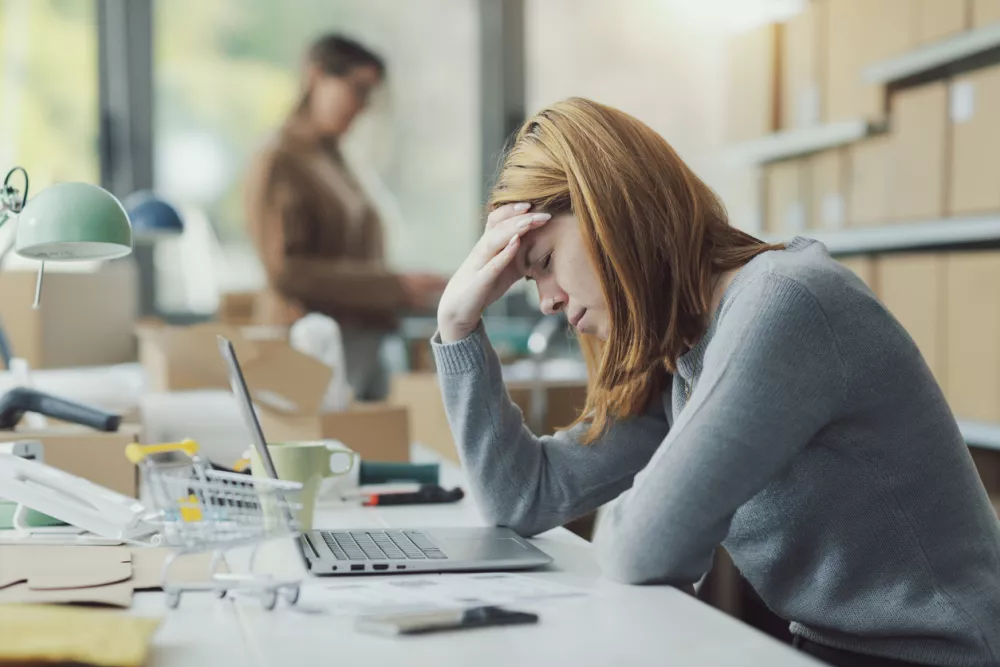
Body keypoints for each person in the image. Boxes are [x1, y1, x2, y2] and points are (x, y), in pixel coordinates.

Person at [432, 98, 1000, 667]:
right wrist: (457, 326)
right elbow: (523, 497)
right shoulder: (686, 353)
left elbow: (642, 546)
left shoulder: (786, 303)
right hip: (827, 649)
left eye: (546, 261)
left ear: (609, 210)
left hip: (935, 657)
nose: (548, 302)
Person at [245, 34, 446, 400]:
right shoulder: (281, 159)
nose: (364, 105)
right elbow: (286, 271)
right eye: (358, 89)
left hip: (364, 341)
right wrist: (393, 286)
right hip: (313, 348)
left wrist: (402, 288)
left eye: (371, 94)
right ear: (317, 76)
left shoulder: (338, 158)